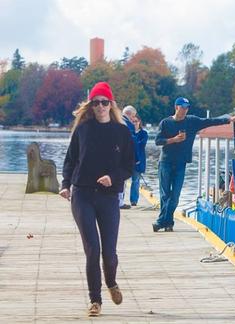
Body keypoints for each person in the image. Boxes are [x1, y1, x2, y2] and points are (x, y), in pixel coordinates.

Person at [59, 82, 134, 316]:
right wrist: (65, 185)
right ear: (90, 105)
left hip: (109, 198)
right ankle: (95, 300)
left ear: (111, 105)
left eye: (104, 102)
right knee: (92, 249)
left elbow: (130, 166)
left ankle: (111, 282)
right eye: (96, 102)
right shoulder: (83, 129)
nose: (100, 106)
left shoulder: (122, 132)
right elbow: (70, 160)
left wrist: (113, 177)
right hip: (82, 194)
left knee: (109, 254)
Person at [153, 97, 235, 232]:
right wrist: (173, 140)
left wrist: (229, 120)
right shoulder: (165, 122)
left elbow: (209, 121)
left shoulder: (192, 121)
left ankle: (161, 221)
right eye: (183, 107)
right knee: (165, 194)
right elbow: (158, 141)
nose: (185, 110)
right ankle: (167, 222)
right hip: (165, 162)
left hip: (181, 163)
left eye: (187, 107)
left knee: (175, 195)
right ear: (176, 107)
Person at [119, 105, 137, 209]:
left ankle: (120, 200)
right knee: (122, 180)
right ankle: (120, 202)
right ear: (129, 114)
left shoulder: (119, 120)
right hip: (123, 156)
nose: (134, 118)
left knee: (122, 181)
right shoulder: (127, 124)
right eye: (133, 116)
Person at [130, 115, 148, 206]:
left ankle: (134, 201)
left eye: (136, 121)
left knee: (135, 180)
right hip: (128, 159)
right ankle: (120, 201)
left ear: (139, 122)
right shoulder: (129, 132)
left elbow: (141, 144)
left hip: (138, 160)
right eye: (132, 121)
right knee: (123, 181)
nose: (134, 123)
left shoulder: (144, 133)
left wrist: (132, 141)